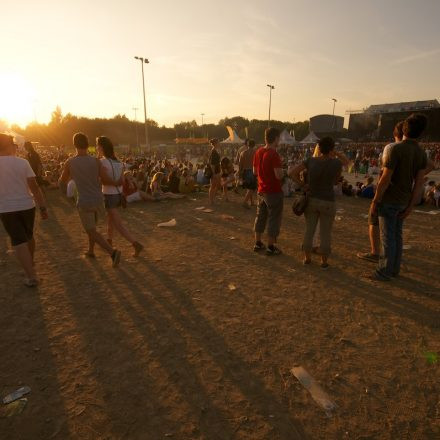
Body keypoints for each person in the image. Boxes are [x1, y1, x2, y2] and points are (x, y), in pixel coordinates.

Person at [369, 114, 428, 281]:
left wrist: (375, 200)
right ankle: (394, 270)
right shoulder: (421, 154)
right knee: (397, 237)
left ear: (404, 129)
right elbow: (418, 184)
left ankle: (383, 272)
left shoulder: (396, 149)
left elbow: (385, 178)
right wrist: (411, 206)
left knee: (388, 238)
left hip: (389, 199)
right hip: (404, 201)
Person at [59, 132, 121, 266]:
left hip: (85, 200)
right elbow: (105, 179)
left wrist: (65, 192)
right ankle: (91, 250)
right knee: (93, 227)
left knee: (90, 230)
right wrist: (117, 183)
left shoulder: (70, 162)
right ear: (87, 145)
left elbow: (62, 181)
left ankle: (112, 252)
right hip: (98, 199)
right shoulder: (96, 161)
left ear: (74, 144)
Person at [0, 134, 48, 287]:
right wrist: (42, 207)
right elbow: (34, 187)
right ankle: (30, 263)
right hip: (27, 206)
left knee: (18, 241)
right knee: (28, 236)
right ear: (9, 146)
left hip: (7, 208)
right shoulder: (23, 162)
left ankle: (31, 276)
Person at [290, 137, 342, 268]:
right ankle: (324, 262)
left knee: (310, 230)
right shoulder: (336, 163)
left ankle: (307, 258)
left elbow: (292, 173)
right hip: (328, 200)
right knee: (325, 232)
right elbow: (338, 179)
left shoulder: (311, 161)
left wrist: (303, 185)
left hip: (312, 199)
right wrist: (335, 153)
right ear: (331, 149)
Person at [357, 121, 404, 263]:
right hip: (403, 195)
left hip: (387, 193)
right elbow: (430, 165)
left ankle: (376, 253)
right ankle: (394, 258)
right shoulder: (414, 150)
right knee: (396, 229)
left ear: (395, 133)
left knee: (375, 222)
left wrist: (376, 198)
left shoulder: (391, 147)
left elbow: (384, 174)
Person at [97, 136, 143, 257]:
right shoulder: (119, 162)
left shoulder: (102, 162)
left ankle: (135, 243)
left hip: (109, 195)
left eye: (97, 145)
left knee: (118, 224)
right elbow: (122, 180)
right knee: (111, 219)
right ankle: (109, 240)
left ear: (101, 147)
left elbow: (104, 181)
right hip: (118, 194)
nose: (96, 148)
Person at [253, 127, 284, 255]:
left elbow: (255, 172)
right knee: (273, 219)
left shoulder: (258, 151)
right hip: (273, 191)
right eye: (279, 138)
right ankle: (271, 246)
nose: (279, 141)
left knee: (260, 217)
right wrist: (284, 172)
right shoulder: (274, 154)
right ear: (275, 138)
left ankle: (258, 242)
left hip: (261, 190)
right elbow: (278, 175)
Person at [239, 139, 257, 208]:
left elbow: (240, 164)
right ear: (254, 145)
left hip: (245, 171)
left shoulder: (243, 153)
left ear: (248, 145)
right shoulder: (255, 152)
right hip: (252, 171)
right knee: (251, 188)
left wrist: (240, 173)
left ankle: (251, 202)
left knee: (249, 187)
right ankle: (245, 202)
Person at [208, 138, 221, 205]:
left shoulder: (215, 151)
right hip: (214, 171)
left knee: (216, 185)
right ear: (215, 143)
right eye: (218, 142)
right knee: (213, 186)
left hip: (217, 170)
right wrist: (213, 174)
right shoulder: (213, 151)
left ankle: (212, 199)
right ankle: (211, 201)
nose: (219, 143)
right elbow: (212, 164)